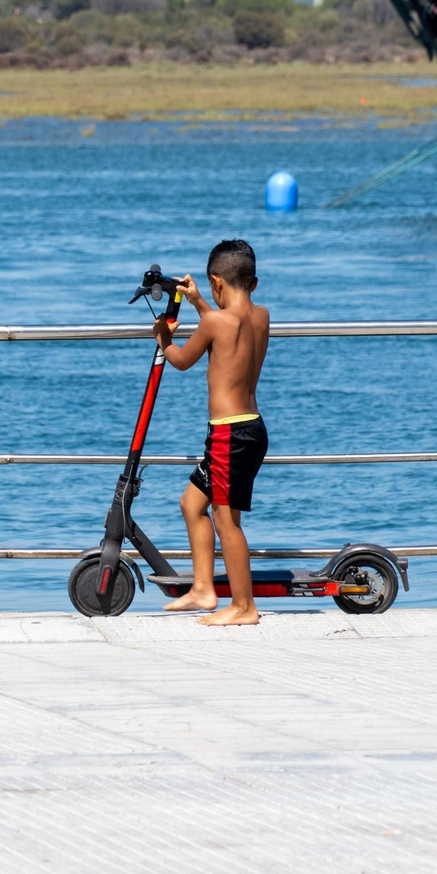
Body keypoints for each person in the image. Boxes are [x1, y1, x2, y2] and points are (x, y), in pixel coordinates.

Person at [151, 239, 270, 626]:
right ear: (253, 282)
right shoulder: (261, 316)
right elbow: (224, 325)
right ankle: (203, 589)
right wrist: (201, 302)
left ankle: (243, 607)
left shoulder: (216, 322)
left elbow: (182, 360)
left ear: (216, 282)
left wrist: (163, 336)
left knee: (226, 520)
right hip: (249, 429)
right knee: (192, 504)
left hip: (228, 435)